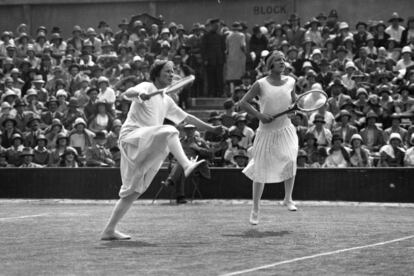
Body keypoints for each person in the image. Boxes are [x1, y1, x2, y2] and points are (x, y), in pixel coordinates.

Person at [101, 60, 224, 240]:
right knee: (170, 130)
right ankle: (186, 165)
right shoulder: (147, 86)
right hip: (131, 137)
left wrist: (211, 129)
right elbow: (128, 93)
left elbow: (186, 117)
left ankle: (109, 230)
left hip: (147, 141)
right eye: (167, 71)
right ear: (157, 74)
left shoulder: (166, 100)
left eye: (173, 72)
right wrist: (141, 94)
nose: (171, 74)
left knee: (134, 190)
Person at [239, 50, 299, 226]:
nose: (282, 62)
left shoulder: (291, 82)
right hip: (265, 132)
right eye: (278, 60)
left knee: (291, 159)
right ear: (270, 64)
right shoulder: (261, 84)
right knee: (260, 171)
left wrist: (294, 115)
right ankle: (255, 209)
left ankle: (288, 198)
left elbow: (293, 106)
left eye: (284, 60)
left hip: (286, 129)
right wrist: (260, 116)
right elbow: (243, 103)